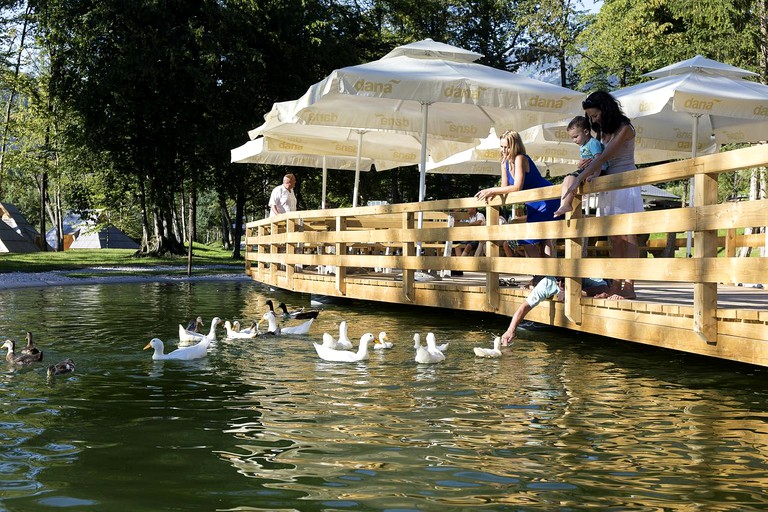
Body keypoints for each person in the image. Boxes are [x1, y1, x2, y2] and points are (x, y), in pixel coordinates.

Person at [569, 90, 643, 299]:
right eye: (590, 117)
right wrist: (585, 166)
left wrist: (577, 178)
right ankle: (615, 286)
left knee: (628, 236)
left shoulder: (625, 129)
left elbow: (603, 158)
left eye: (594, 115)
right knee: (614, 238)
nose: (593, 120)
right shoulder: (603, 132)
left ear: (606, 109)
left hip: (625, 183)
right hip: (608, 184)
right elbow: (598, 160)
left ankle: (629, 287)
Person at [475, 130, 558, 258]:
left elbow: (517, 187)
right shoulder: (504, 162)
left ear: (515, 146)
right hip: (532, 203)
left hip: (546, 199)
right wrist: (494, 193)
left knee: (538, 239)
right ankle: (542, 276)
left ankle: (546, 276)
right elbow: (504, 187)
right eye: (502, 146)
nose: (503, 150)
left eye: (507, 147)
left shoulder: (520, 158)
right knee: (533, 240)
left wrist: (492, 190)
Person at [500, 276, 609, 346]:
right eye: (558, 281)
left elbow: (606, 288)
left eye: (564, 281)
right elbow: (524, 306)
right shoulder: (547, 283)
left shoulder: (588, 277)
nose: (560, 284)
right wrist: (511, 330)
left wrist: (573, 293)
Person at [552, 116, 607, 218]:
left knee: (572, 178)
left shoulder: (593, 143)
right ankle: (564, 204)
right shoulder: (583, 145)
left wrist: (596, 174)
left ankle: (567, 204)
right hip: (588, 170)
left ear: (586, 132)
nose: (574, 140)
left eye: (576, 136)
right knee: (568, 178)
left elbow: (599, 160)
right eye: (572, 138)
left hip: (598, 170)